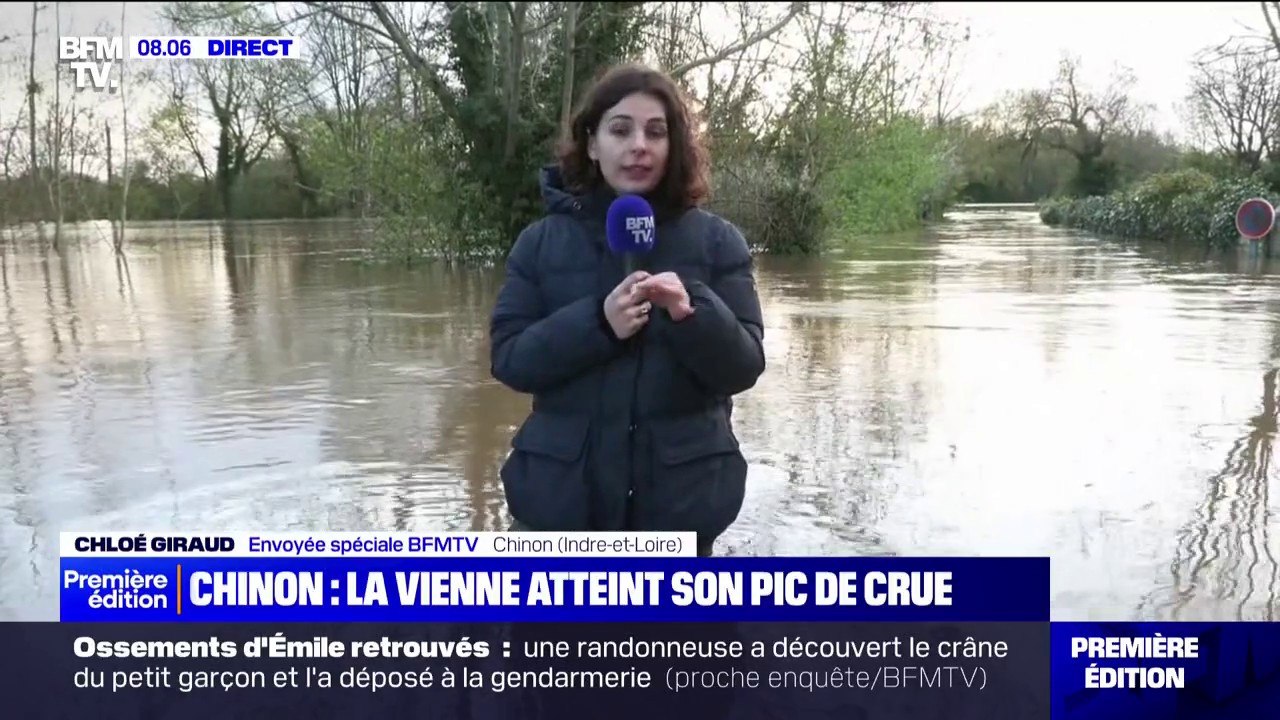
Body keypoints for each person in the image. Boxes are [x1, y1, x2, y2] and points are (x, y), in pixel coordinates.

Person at [488, 63, 765, 557]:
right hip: (559, 516)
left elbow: (744, 366)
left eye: (655, 132)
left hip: (681, 515)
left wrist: (692, 314)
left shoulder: (718, 242)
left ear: (673, 146)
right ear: (592, 143)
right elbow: (510, 359)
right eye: (621, 129)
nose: (639, 144)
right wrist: (598, 324)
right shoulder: (539, 243)